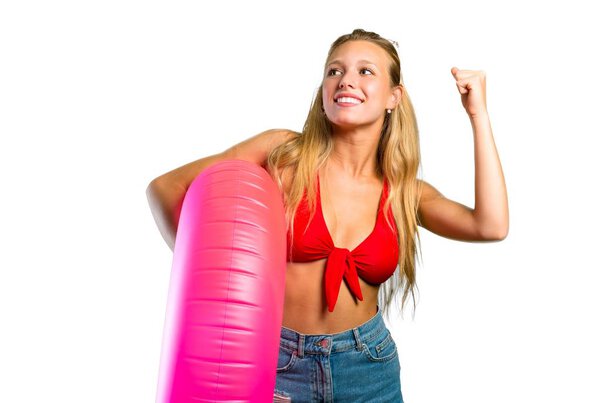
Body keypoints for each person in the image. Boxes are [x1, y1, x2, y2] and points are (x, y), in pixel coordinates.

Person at [146, 28, 508, 402]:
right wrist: (213, 286)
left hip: (367, 367)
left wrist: (478, 114)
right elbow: (167, 187)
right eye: (334, 71)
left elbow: (491, 225)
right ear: (323, 92)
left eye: (365, 71)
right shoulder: (282, 155)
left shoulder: (404, 193)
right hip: (277, 363)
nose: (346, 80)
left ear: (393, 97)